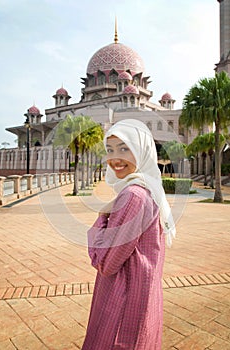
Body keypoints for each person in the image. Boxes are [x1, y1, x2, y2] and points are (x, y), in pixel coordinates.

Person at [82, 119, 176, 350]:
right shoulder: (149, 188)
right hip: (144, 291)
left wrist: (102, 217)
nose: (115, 158)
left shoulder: (132, 195)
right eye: (110, 150)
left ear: (141, 150)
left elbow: (107, 262)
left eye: (125, 149)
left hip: (123, 296)